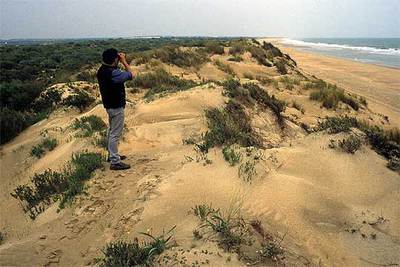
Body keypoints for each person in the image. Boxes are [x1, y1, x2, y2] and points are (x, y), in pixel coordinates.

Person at [97, 48, 135, 170]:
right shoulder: (113, 73)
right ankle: (114, 161)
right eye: (117, 58)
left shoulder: (102, 70)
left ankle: (111, 155)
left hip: (109, 105)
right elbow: (132, 75)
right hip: (116, 106)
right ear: (114, 60)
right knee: (115, 134)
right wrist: (124, 61)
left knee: (111, 131)